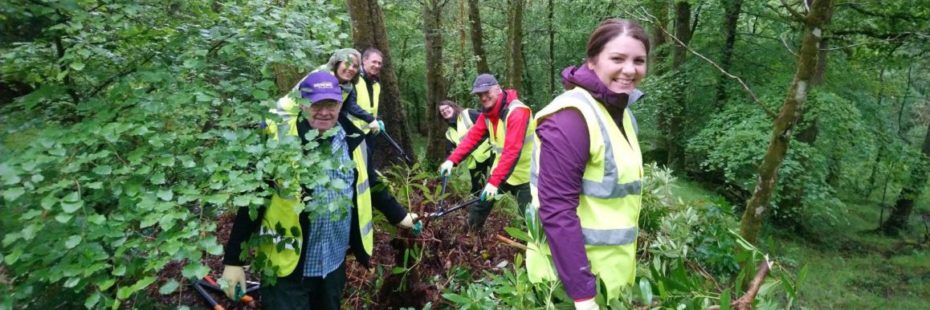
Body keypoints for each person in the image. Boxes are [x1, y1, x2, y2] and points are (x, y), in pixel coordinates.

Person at [220, 71, 418, 310]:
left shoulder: (353, 137)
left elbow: (370, 183)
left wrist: (400, 216)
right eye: (317, 104)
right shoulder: (280, 141)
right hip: (287, 267)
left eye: (331, 104)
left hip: (333, 264)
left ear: (340, 103)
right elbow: (252, 202)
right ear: (303, 104)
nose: (324, 112)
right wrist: (234, 261)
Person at [525, 19, 650, 309]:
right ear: (592, 61)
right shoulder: (570, 118)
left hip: (612, 282)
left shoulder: (622, 113)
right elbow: (556, 209)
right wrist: (583, 297)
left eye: (639, 60)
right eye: (617, 58)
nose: (630, 69)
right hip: (567, 289)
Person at [439, 74, 535, 231]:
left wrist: (494, 182)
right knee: (481, 205)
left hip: (525, 175)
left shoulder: (518, 112)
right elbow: (472, 137)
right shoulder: (488, 114)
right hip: (501, 170)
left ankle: (529, 249)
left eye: (487, 92)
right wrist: (452, 160)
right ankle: (469, 235)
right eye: (479, 95)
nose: (483, 98)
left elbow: (512, 153)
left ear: (498, 89)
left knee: (529, 218)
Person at [438, 99, 493, 194]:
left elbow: (488, 123)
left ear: (453, 107)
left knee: (501, 181)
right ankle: (481, 204)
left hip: (489, 152)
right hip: (473, 162)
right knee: (477, 188)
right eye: (442, 111)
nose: (445, 111)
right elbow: (449, 152)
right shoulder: (449, 133)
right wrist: (446, 164)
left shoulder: (468, 114)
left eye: (447, 108)